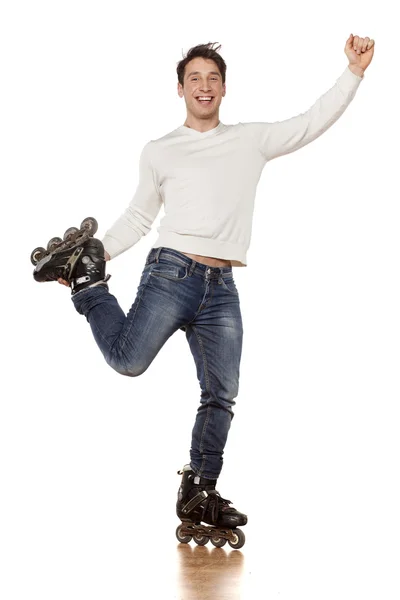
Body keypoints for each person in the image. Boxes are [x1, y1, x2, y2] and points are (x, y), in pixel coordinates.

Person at [33, 35, 375, 545]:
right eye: (195, 78)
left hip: (223, 286)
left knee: (222, 393)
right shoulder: (160, 150)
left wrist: (354, 71)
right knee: (128, 362)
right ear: (180, 89)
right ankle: (89, 289)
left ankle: (200, 489)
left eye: (213, 78)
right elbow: (139, 217)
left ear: (223, 88)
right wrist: (96, 255)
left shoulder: (250, 139)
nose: (204, 85)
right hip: (171, 271)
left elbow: (310, 122)